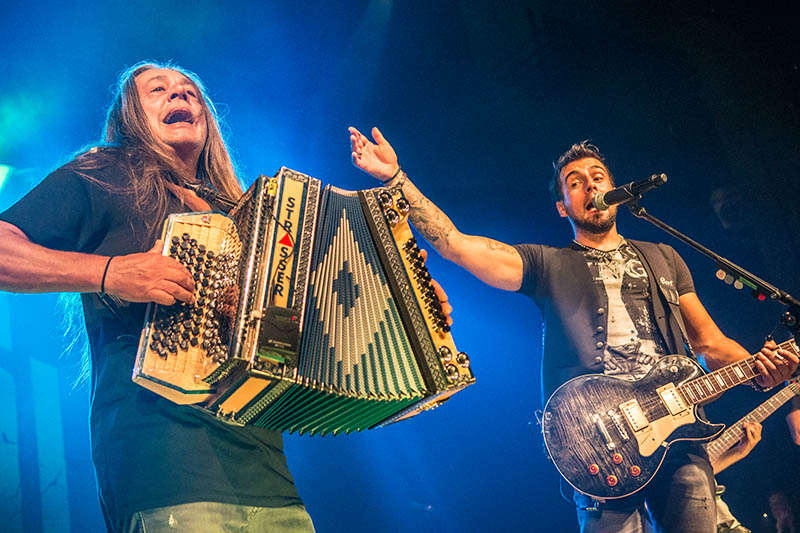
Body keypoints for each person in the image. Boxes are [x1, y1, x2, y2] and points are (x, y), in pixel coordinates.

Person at [347, 126, 799, 532]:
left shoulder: (664, 256)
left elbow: (710, 344)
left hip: (678, 436)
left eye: (598, 176)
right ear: (562, 205)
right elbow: (457, 245)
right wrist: (395, 179)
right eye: (576, 182)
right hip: (599, 441)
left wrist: (764, 370)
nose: (591, 185)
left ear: (616, 188)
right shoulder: (549, 263)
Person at [0, 62, 316, 532]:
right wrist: (112, 272)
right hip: (164, 466)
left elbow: (296, 336)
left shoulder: (248, 218)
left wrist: (393, 313)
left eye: (191, 92)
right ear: (131, 115)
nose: (180, 96)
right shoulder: (105, 172)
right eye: (159, 90)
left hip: (269, 476)